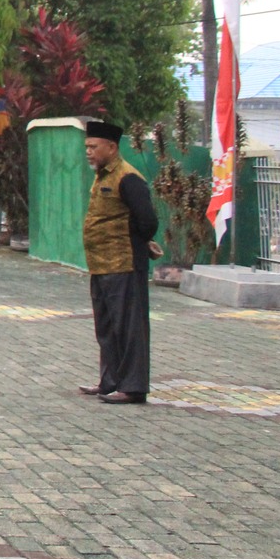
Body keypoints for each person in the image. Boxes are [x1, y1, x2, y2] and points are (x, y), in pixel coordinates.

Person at [80, 120, 160, 405]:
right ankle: (110, 381)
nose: (88, 151)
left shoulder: (128, 178)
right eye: (87, 147)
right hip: (101, 264)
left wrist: (140, 241)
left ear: (112, 147)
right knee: (107, 327)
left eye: (93, 146)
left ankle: (133, 387)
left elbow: (148, 221)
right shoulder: (102, 176)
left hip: (124, 264)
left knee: (129, 328)